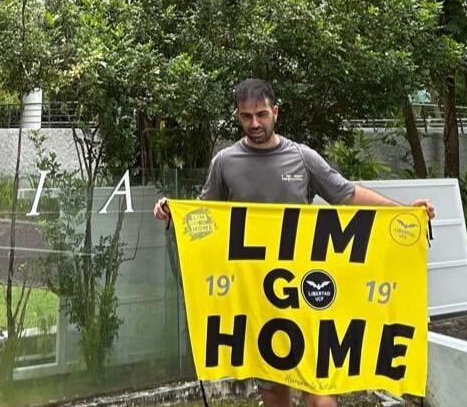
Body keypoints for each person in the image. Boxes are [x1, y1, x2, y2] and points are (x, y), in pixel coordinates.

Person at [153, 78, 435, 407]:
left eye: (261, 114)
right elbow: (206, 218)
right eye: (246, 116)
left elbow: (348, 195)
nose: (254, 123)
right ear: (237, 116)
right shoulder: (225, 163)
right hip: (259, 297)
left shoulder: (302, 158)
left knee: (319, 389)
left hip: (307, 294)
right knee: (273, 390)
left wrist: (404, 214)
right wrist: (173, 211)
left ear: (276, 112)